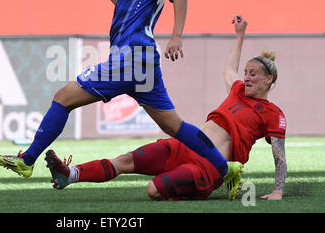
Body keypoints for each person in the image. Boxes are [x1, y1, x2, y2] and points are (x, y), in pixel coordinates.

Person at [0, 0, 242, 197]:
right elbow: (125, 6)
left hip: (130, 58)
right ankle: (226, 169)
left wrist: (176, 36)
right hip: (141, 63)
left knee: (63, 98)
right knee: (173, 125)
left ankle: (27, 160)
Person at [45, 15, 288, 201]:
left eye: (253, 74)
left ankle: (203, 187)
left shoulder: (272, 114)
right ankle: (71, 175)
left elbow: (279, 156)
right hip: (183, 146)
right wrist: (239, 36)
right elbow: (229, 68)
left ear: (269, 80)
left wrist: (278, 190)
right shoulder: (237, 89)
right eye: (246, 73)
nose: (246, 78)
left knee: (153, 190)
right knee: (126, 160)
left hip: (208, 165)